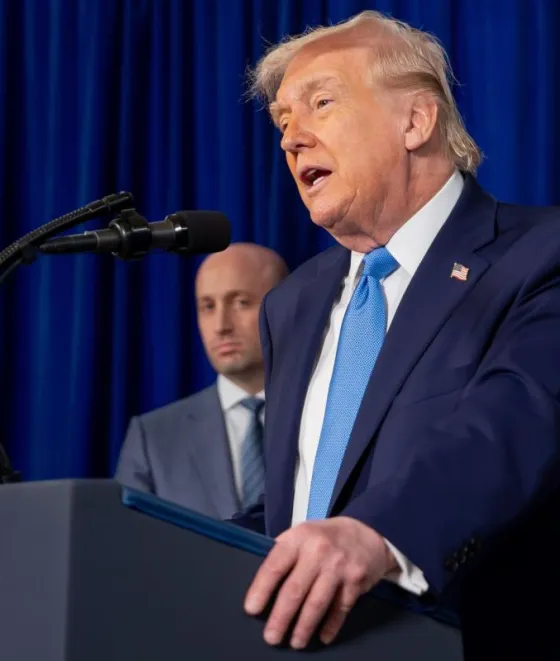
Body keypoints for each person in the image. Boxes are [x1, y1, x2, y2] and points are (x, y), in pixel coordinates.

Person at [239, 10, 560, 655]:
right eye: (281, 122)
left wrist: (375, 533)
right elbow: (302, 506)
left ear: (416, 121)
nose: (291, 139)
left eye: (320, 103)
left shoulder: (539, 254)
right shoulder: (292, 304)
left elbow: (514, 422)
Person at [114, 243, 288, 519]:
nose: (221, 325)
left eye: (241, 302)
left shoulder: (327, 415)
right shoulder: (153, 438)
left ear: (285, 307)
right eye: (207, 307)